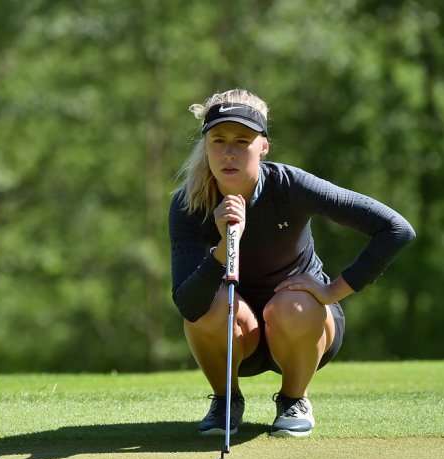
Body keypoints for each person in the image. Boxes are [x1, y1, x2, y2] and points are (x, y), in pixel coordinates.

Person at [168, 88, 415, 437]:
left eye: (242, 141)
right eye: (219, 140)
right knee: (212, 306)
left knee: (294, 306)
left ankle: (294, 399)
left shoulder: (291, 186)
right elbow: (188, 305)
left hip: (303, 328)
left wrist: (334, 291)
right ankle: (226, 400)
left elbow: (396, 228)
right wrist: (225, 245)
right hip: (238, 337)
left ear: (263, 147)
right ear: (206, 145)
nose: (229, 152)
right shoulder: (188, 204)